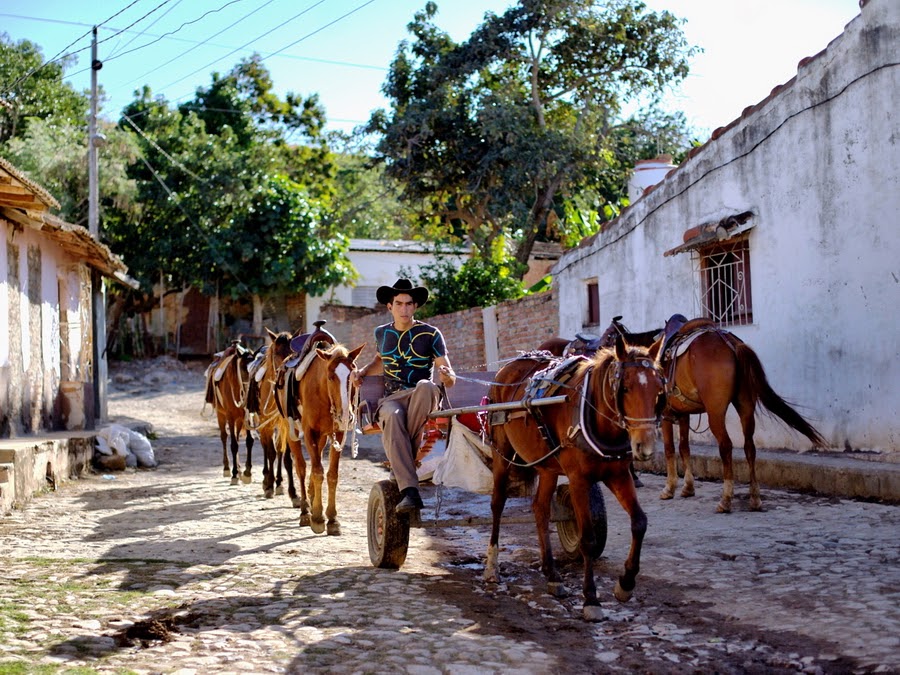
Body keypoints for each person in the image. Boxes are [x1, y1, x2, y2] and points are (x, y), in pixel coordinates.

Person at [351, 278, 456, 513]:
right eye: (399, 304)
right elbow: (381, 361)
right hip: (391, 400)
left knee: (427, 385)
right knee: (390, 413)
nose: (404, 309)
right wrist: (363, 372)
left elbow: (447, 372)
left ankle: (399, 464)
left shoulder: (431, 334)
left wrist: (448, 376)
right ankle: (410, 492)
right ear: (390, 307)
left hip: (421, 396)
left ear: (415, 307)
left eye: (409, 304)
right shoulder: (382, 333)